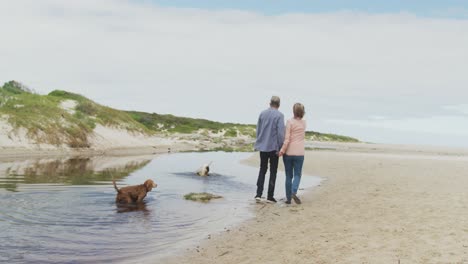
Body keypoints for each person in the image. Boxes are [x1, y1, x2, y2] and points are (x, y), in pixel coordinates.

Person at [254, 96, 285, 203]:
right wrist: (281, 147)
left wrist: (258, 143)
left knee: (262, 169)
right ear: (279, 104)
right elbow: (281, 134)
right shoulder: (280, 115)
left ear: (270, 103)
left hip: (263, 146)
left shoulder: (262, 113)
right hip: (274, 147)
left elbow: (258, 130)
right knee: (273, 171)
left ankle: (258, 194)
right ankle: (269, 196)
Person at [279, 103, 306, 205]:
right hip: (299, 153)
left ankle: (288, 199)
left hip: (289, 153)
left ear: (293, 111)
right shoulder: (304, 123)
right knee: (298, 174)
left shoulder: (289, 122)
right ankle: (294, 191)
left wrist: (282, 150)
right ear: (302, 112)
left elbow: (287, 139)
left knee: (288, 176)